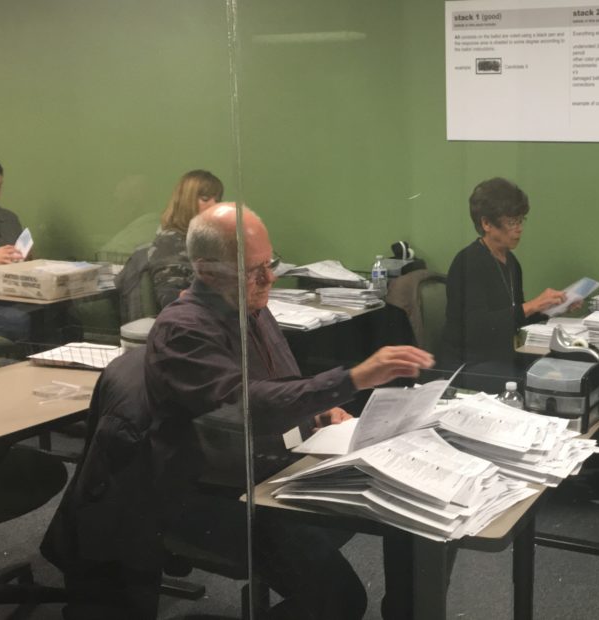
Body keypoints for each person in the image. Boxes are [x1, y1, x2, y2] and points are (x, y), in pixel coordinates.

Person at [145, 204, 434, 619]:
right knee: (341, 600)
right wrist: (351, 379)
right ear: (207, 271)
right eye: (252, 268)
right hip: (217, 496)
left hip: (276, 469)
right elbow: (249, 406)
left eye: (270, 263)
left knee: (411, 516)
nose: (269, 278)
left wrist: (318, 413)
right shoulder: (184, 331)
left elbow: (279, 391)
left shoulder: (253, 308)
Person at [440, 177, 566, 374]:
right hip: (469, 365)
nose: (519, 228)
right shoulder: (468, 261)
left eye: (521, 220)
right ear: (487, 223)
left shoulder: (511, 262)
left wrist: (550, 309)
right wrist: (532, 305)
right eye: (512, 222)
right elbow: (477, 328)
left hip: (500, 356)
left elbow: (515, 320)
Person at [147, 169, 223, 310]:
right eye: (205, 199)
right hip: (192, 320)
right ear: (186, 202)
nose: (214, 205)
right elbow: (169, 297)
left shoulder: (204, 238)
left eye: (217, 200)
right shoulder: (170, 242)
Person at [0, 151, 30, 342]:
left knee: (56, 313)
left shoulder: (8, 218)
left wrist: (26, 259)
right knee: (15, 320)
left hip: (7, 293)